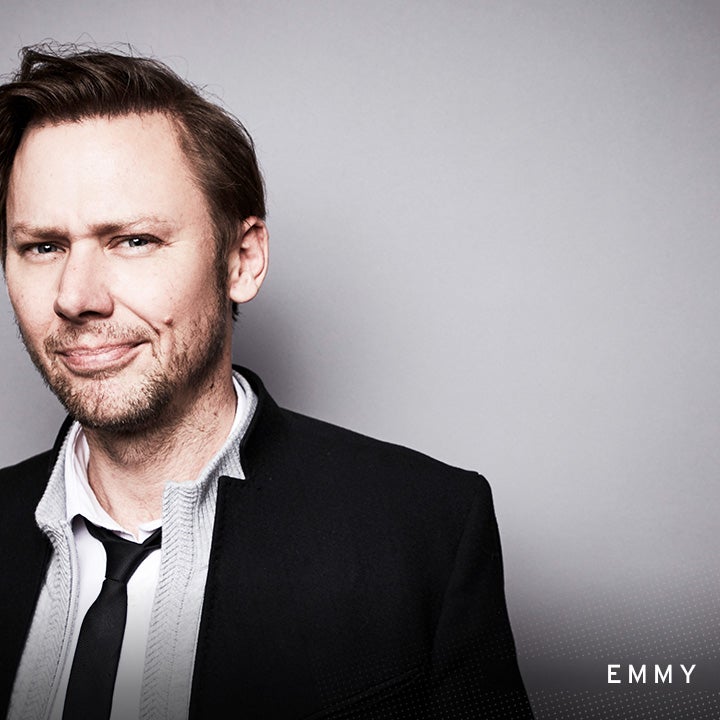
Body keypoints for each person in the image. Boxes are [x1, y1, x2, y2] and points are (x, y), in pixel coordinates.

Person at [0, 44, 533, 720]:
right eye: (43, 247)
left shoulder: (424, 530)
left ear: (242, 261)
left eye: (133, 240)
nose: (77, 297)